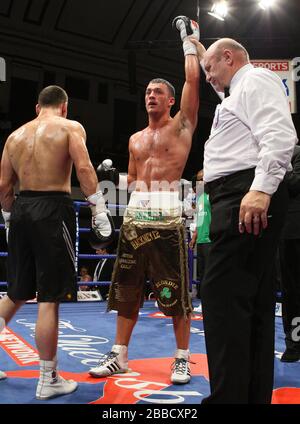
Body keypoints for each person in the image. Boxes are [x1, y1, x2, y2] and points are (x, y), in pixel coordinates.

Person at [88, 16, 200, 384]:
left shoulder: (182, 125)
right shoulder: (135, 139)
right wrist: (112, 180)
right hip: (136, 219)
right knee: (126, 290)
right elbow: (133, 180)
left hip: (169, 220)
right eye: (147, 92)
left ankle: (181, 358)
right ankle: (119, 354)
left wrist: (188, 40)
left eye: (157, 92)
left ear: (170, 100)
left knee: (175, 292)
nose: (150, 95)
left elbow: (193, 79)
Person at [191, 38, 297, 403]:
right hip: (239, 193)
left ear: (229, 58)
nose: (207, 77)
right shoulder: (236, 93)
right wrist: (195, 48)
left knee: (221, 297)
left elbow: (280, 134)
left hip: (245, 194)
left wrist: (262, 189)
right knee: (249, 303)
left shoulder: (254, 80)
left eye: (210, 68)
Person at [0, 85, 113, 398]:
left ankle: (47, 375)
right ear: (64, 107)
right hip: (52, 210)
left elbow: (3, 185)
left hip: (21, 210)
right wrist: (99, 210)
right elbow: (85, 167)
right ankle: (48, 378)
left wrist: (9, 220)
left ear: (37, 107)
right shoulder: (70, 127)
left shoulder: (15, 136)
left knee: (17, 291)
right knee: (49, 297)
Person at [279, 145, 300, 362]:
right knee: (291, 291)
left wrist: (281, 163)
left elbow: (295, 184)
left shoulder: (296, 153)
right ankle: (294, 343)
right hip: (286, 233)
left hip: (295, 229)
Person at [189, 170, 211, 300]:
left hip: (211, 239)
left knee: (210, 274)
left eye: (203, 178)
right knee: (202, 273)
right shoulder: (200, 197)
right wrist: (194, 237)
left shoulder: (213, 195)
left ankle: (212, 301)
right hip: (201, 239)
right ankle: (204, 302)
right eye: (198, 179)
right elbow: (199, 219)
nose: (200, 181)